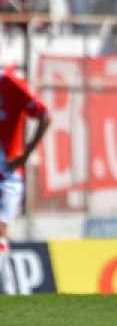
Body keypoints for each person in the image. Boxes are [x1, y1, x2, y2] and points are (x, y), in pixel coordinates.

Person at [0, 65, 51, 290]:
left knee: (0, 229)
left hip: (6, 176)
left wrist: (26, 154)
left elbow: (45, 116)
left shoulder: (11, 84)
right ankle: (10, 291)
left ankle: (8, 292)